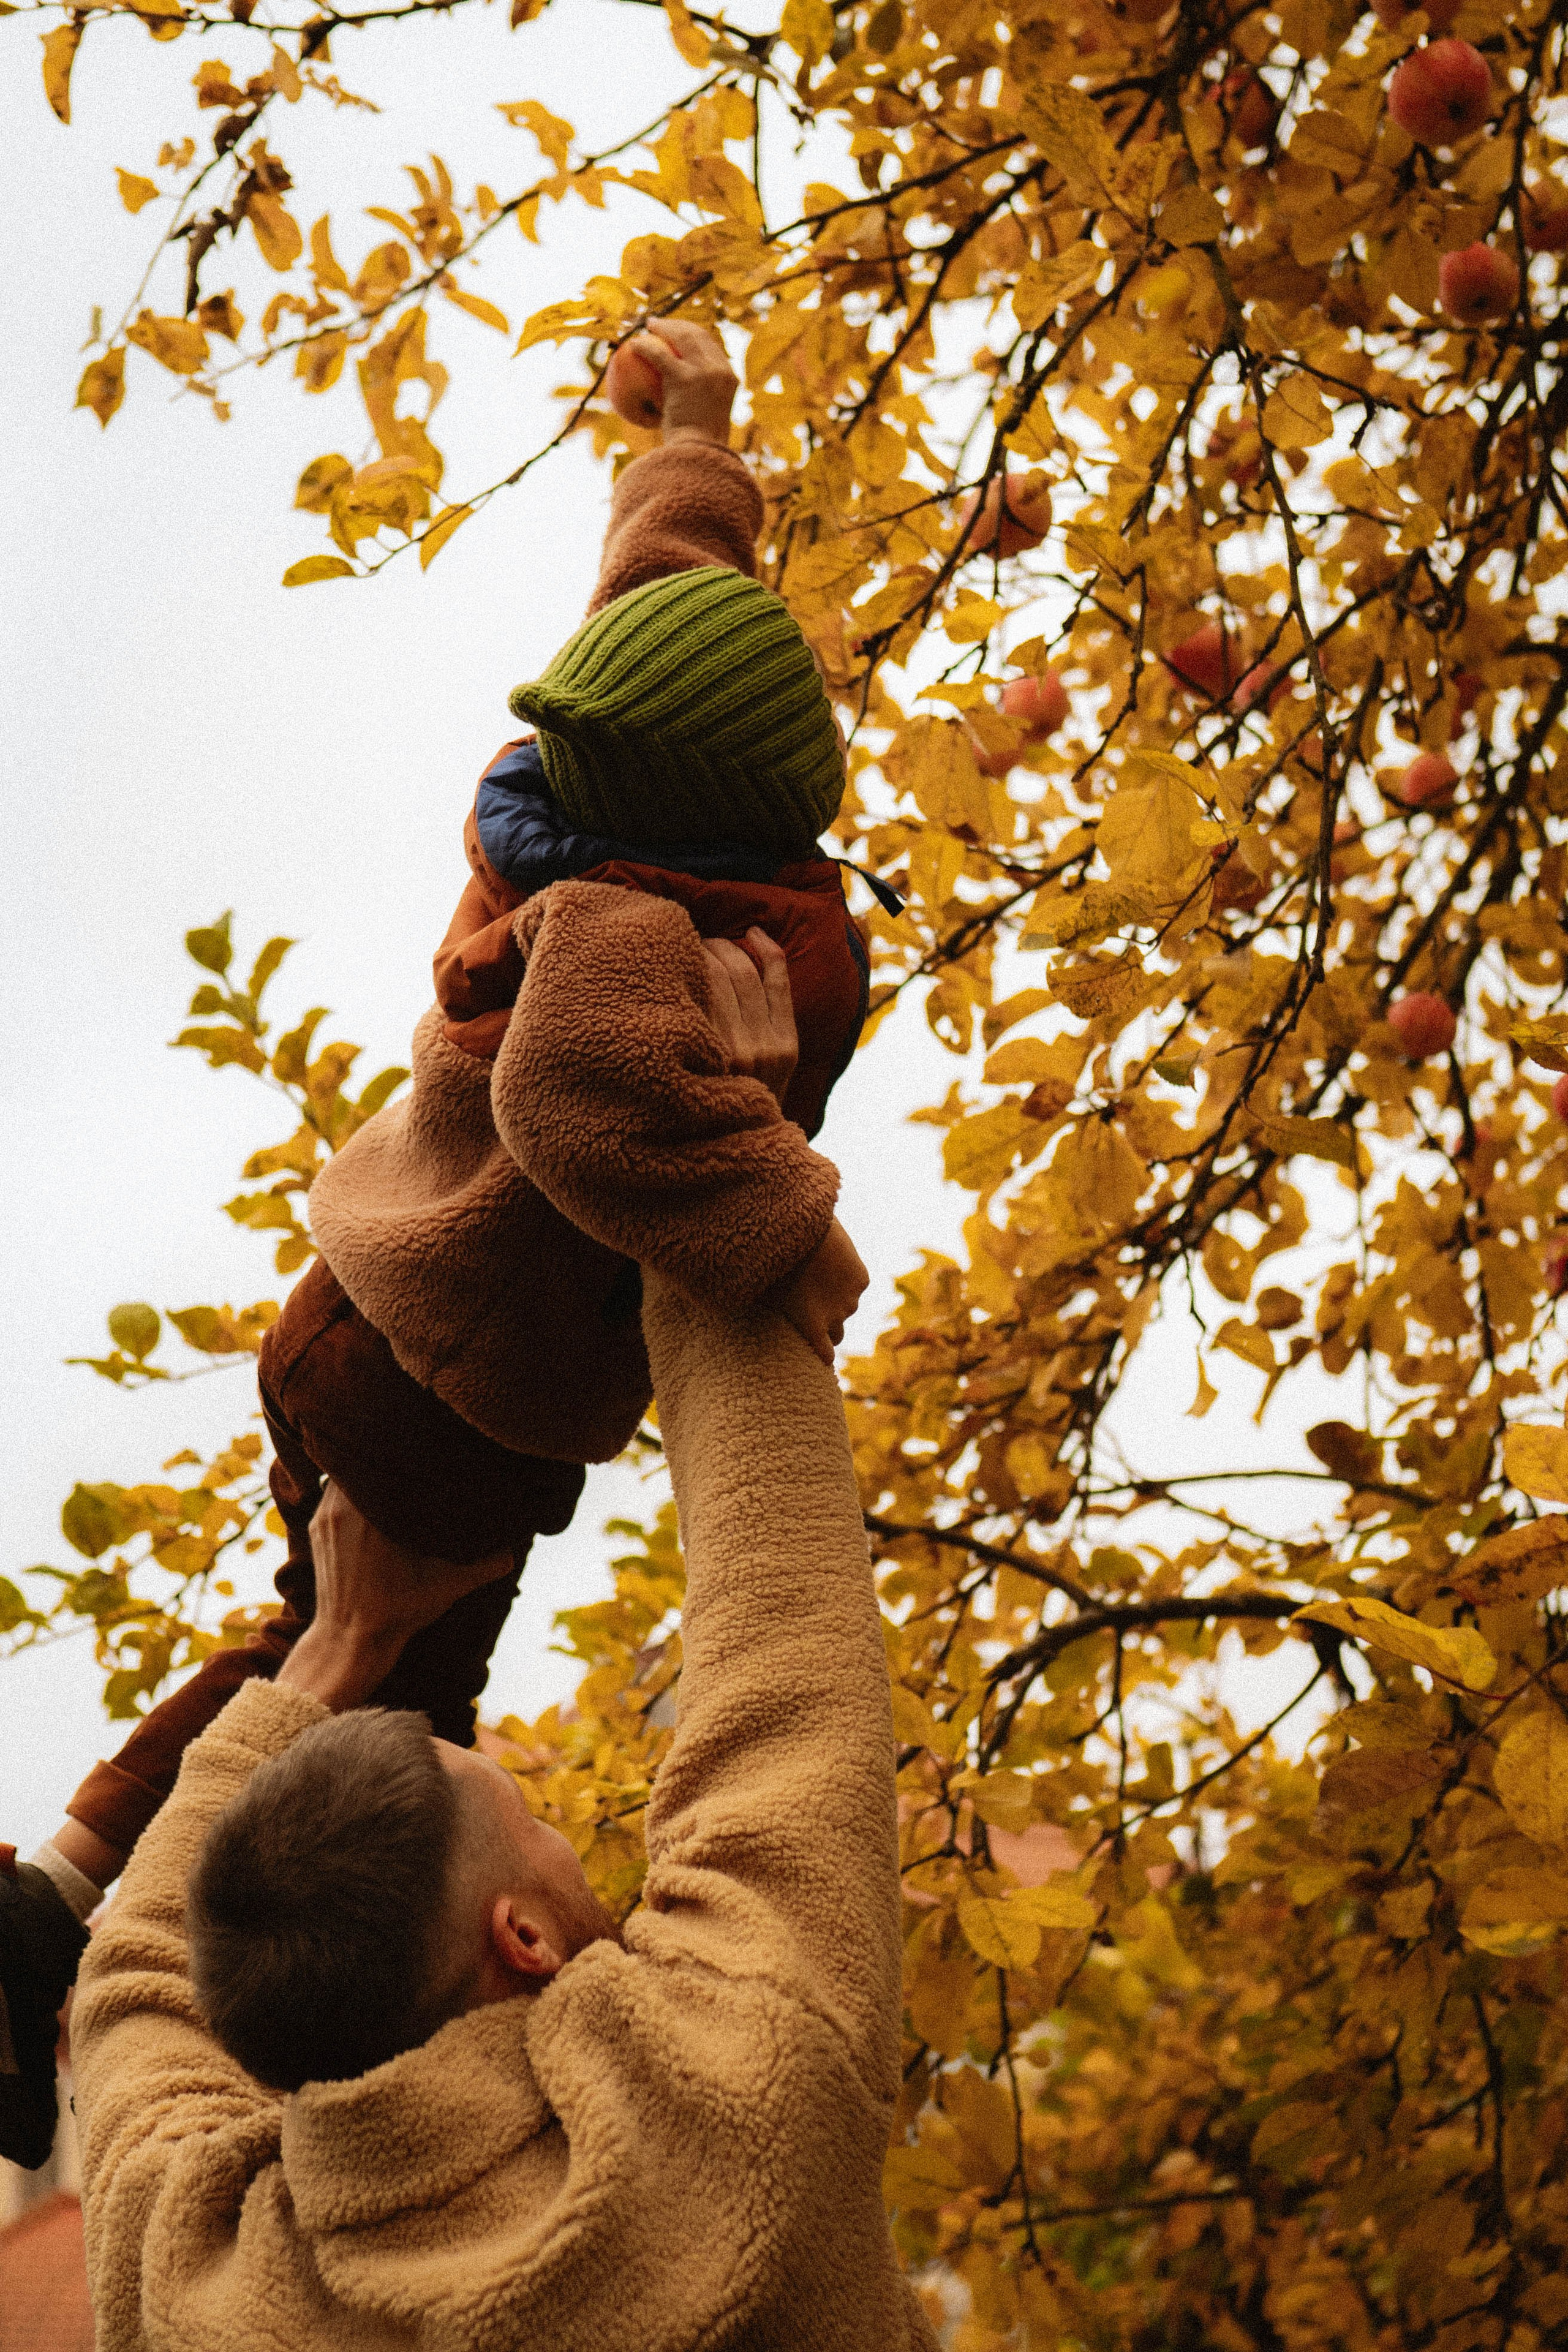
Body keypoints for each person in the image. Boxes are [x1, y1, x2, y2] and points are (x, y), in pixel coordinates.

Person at [0, 321, 874, 2169]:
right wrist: (774, 1218)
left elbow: (665, 578)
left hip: (370, 1326)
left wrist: (692, 439)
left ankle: (76, 1881)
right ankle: (270, 2053)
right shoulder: (638, 927)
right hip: (453, 1389)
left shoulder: (577, 791)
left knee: (338, 1667)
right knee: (388, 1767)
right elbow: (571, 1096)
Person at [67, 1102, 933, 2343]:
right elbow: (784, 1622)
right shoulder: (734, 2107)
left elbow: (127, 1983)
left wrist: (336, 1645)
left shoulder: (197, 2285)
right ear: (518, 1934)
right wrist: (681, 1159)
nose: (566, 1837)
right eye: (532, 1821)